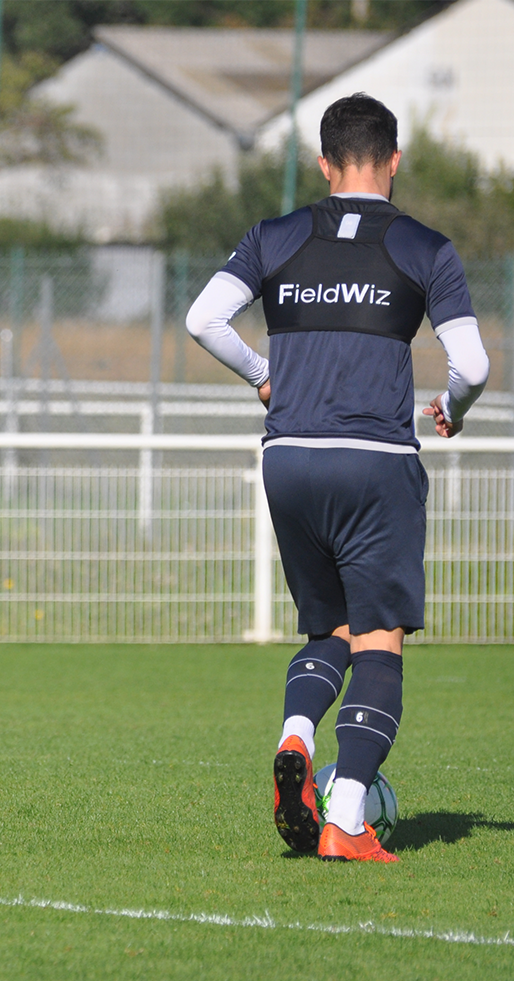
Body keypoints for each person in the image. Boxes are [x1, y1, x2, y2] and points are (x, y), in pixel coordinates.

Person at [186, 93, 489, 862]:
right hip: (376, 461)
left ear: (324, 165)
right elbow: (474, 366)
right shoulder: (424, 246)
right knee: (379, 642)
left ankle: (296, 736)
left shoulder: (275, 236)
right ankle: (346, 816)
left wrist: (265, 376)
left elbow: (202, 319)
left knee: (332, 632)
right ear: (394, 161)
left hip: (287, 457)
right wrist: (452, 407)